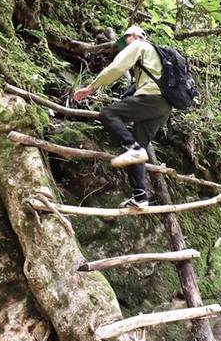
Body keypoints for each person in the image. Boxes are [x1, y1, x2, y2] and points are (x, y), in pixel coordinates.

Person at [73, 25, 171, 208]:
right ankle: (140, 198)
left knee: (107, 113)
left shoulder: (139, 45)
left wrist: (91, 87)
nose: (124, 45)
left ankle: (133, 148)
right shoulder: (155, 55)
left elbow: (116, 67)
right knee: (139, 149)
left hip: (152, 98)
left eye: (125, 40)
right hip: (164, 107)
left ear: (133, 36)